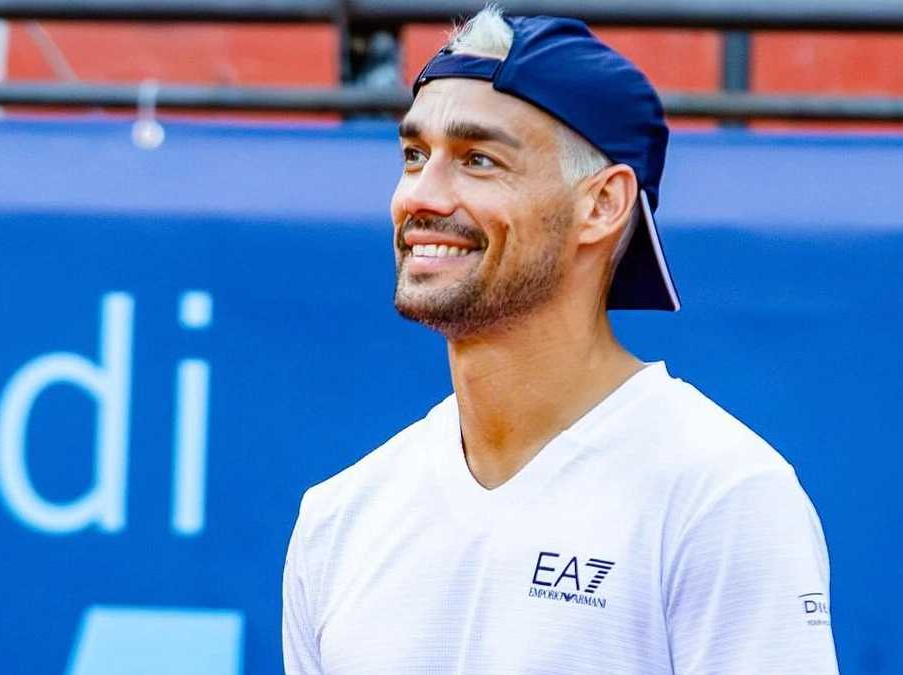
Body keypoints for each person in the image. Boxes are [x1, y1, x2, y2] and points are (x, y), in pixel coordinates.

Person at [283, 7, 838, 674]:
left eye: (478, 160)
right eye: (414, 156)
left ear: (602, 205)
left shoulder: (721, 498)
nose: (420, 196)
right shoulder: (338, 518)